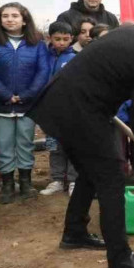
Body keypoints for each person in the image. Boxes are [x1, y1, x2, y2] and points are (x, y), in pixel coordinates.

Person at [28, 26, 134, 268]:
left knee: (89, 173)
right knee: (111, 179)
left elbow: (109, 74)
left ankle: (74, 232)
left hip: (61, 104)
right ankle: (120, 258)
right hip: (81, 111)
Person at [0, 3, 50, 204]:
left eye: (15, 16)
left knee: (25, 143)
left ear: (24, 19)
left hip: (28, 105)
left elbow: (43, 71)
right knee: (3, 145)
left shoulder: (37, 43)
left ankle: (26, 183)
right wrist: (5, 94)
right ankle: (8, 185)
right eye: (5, 16)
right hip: (0, 105)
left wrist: (27, 95)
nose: (10, 19)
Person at [39, 21, 78, 197]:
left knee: (72, 146)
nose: (61, 42)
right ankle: (56, 179)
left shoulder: (75, 57)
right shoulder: (43, 56)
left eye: (65, 39)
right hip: (48, 110)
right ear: (50, 38)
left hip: (69, 110)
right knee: (54, 146)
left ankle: (73, 180)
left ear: (71, 39)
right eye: (57, 39)